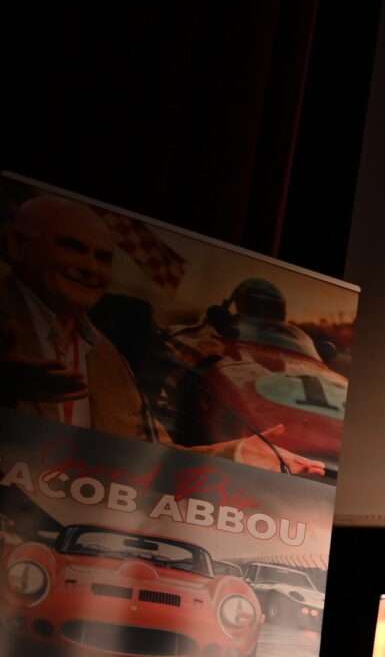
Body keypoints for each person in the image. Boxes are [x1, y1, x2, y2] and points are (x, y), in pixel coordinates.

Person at [1, 194, 323, 474]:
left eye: (102, 258)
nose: (89, 267)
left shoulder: (106, 357)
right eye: (72, 248)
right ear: (17, 245)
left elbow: (153, 455)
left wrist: (239, 454)